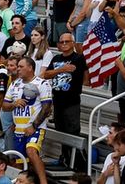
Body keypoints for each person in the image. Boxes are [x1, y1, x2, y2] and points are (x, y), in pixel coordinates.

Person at [3, 57, 52, 184]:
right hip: (19, 129)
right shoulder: (14, 84)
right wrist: (14, 103)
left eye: (21, 66)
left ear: (30, 68)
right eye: (17, 66)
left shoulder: (42, 83)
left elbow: (47, 107)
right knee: (20, 161)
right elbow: (4, 106)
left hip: (35, 127)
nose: (18, 69)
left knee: (31, 151)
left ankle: (43, 182)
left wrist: (34, 126)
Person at [42, 33, 86, 168]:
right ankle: (64, 159)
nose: (64, 44)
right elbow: (46, 74)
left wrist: (59, 71)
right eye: (61, 42)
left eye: (67, 41)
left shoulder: (78, 58)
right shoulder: (56, 58)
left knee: (72, 132)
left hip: (71, 101)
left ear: (73, 43)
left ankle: (76, 163)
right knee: (60, 131)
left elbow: (79, 74)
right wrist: (62, 69)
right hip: (58, 101)